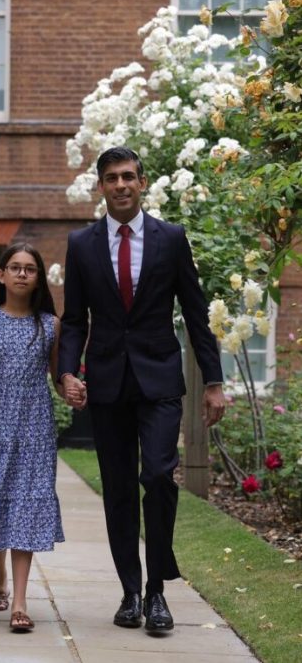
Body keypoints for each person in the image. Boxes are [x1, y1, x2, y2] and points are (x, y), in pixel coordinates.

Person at [58, 146, 226, 632]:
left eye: (128, 176)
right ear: (101, 186)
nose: (121, 185)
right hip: (108, 382)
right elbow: (73, 320)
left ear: (143, 181)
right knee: (117, 491)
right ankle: (131, 592)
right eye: (111, 178)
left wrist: (212, 382)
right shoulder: (82, 243)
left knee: (156, 475)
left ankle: (158, 590)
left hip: (159, 380)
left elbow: (196, 313)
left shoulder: (171, 239)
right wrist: (69, 372)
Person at [0, 243, 64, 633]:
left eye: (30, 269)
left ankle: (19, 602)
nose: (22, 274)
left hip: (35, 426)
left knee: (26, 506)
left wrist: (74, 385)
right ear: (0, 275)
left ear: (38, 278)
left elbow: (58, 377)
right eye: (14, 268)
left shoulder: (51, 325)